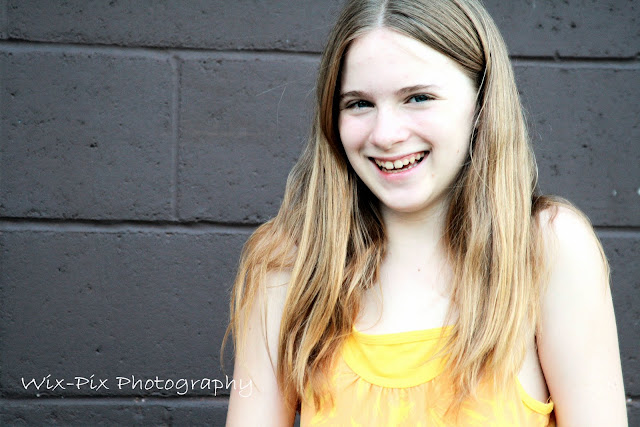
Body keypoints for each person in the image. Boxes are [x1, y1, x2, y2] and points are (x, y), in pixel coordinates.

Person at [224, 0, 627, 425]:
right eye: (359, 104)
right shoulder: (289, 263)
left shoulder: (548, 249)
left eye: (418, 98)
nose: (385, 134)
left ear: (482, 103)